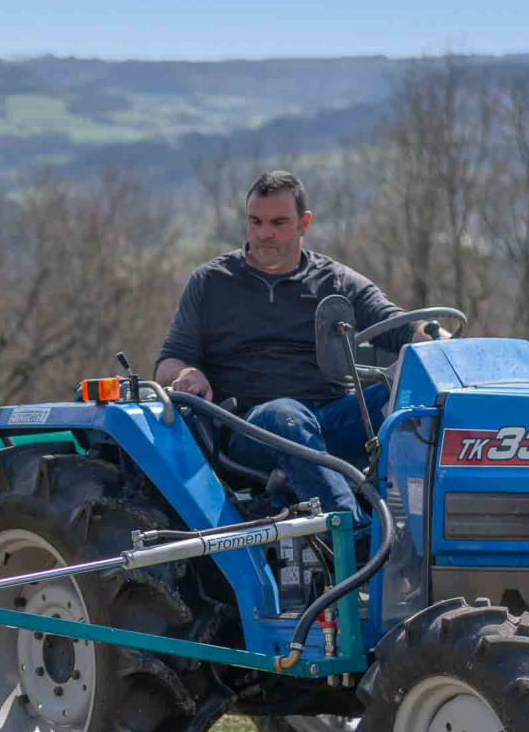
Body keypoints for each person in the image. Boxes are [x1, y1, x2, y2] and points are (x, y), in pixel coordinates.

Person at [152, 170, 439, 514]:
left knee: (413, 397)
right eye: (255, 222)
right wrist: (188, 373)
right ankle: (354, 531)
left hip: (332, 418)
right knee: (285, 414)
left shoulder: (336, 281)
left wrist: (446, 344)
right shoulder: (211, 283)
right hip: (253, 428)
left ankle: (437, 530)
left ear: (304, 223)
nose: (264, 234)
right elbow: (169, 362)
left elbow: (401, 326)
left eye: (278, 223)